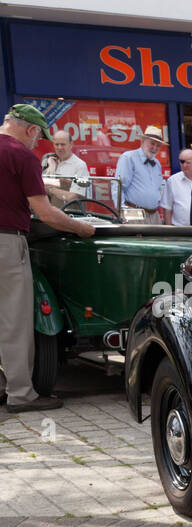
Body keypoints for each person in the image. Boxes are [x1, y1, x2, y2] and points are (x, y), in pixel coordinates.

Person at [0, 105, 95, 414]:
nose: (37, 144)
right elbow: (44, 212)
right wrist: (81, 228)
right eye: (38, 136)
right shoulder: (20, 155)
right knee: (14, 321)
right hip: (6, 242)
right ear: (30, 129)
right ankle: (21, 394)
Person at [116, 125, 166, 223]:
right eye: (152, 143)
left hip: (154, 215)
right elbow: (118, 187)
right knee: (136, 238)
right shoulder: (128, 158)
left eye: (158, 145)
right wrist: (122, 212)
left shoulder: (157, 164)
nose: (155, 148)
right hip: (134, 212)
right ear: (142, 141)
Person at [42, 130, 90, 205]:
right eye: (56, 144)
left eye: (63, 144)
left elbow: (73, 197)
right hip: (51, 213)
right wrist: (50, 167)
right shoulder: (50, 162)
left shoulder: (80, 165)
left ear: (71, 144)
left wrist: (51, 189)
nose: (59, 148)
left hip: (71, 214)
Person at [160, 148, 192, 226]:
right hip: (180, 230)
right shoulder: (172, 181)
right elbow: (167, 208)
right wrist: (169, 232)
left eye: (188, 162)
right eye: (181, 162)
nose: (184, 165)